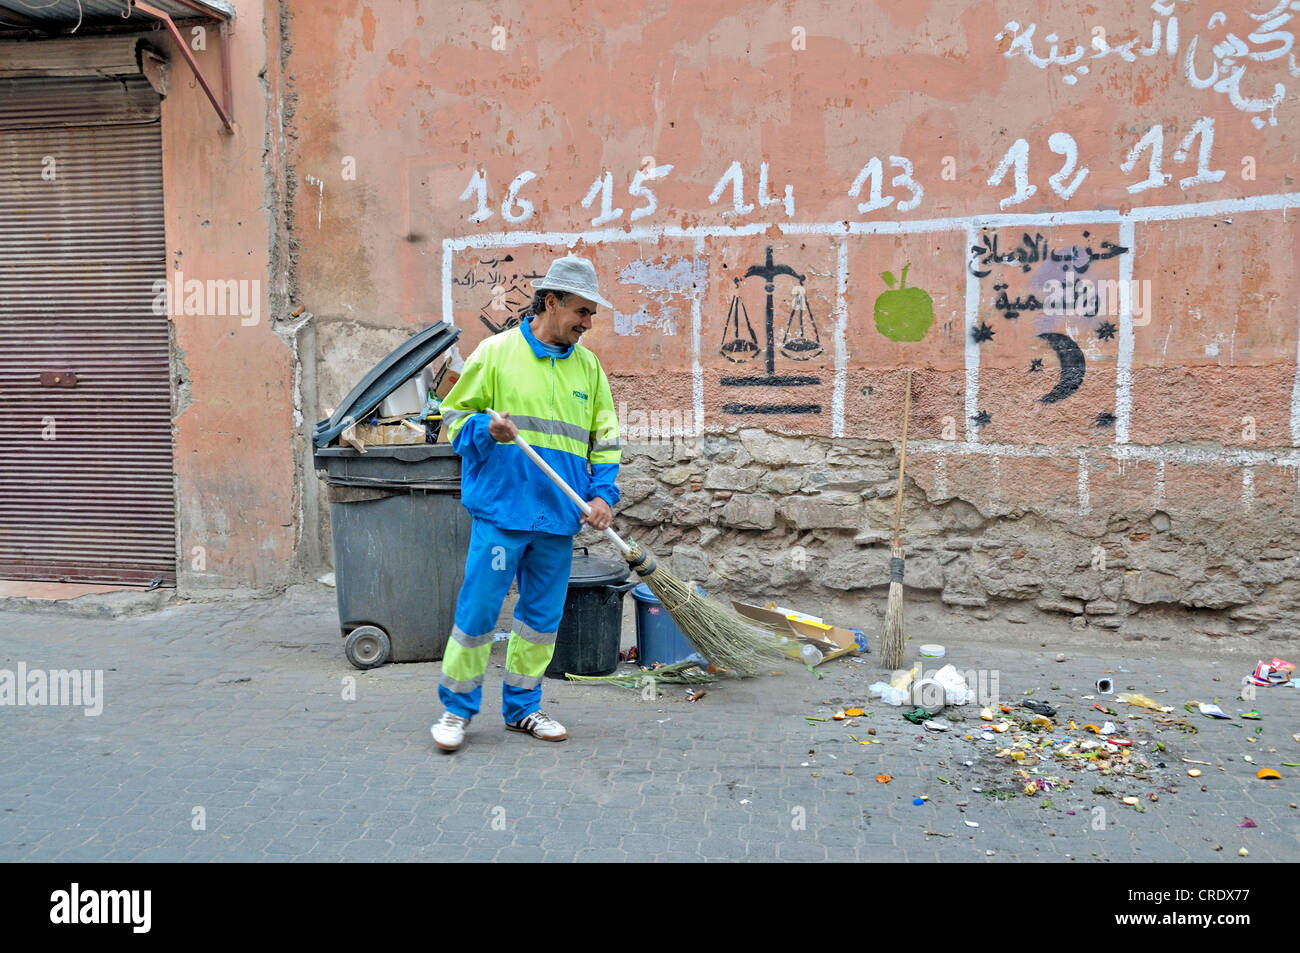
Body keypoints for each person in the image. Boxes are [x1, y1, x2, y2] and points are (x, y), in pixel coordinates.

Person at [430, 254, 621, 752]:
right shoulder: (495, 354)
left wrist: (602, 494)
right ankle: (456, 709)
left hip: (557, 519)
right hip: (502, 513)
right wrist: (486, 430)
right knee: (478, 613)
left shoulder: (589, 368)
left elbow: (605, 441)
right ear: (551, 302)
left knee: (540, 621)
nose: (587, 323)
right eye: (582, 311)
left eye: (592, 315)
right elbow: (452, 421)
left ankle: (523, 708)